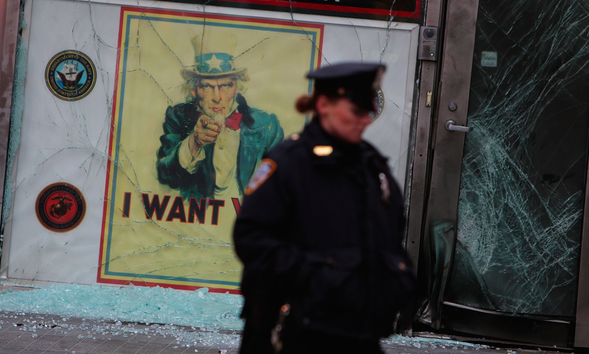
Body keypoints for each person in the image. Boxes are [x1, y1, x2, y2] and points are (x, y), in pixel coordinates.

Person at [233, 62, 416, 354]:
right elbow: (251, 239)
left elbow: (390, 239)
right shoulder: (289, 163)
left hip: (358, 334)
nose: (364, 121)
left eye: (368, 112)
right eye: (355, 111)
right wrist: (319, 279)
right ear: (323, 105)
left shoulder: (372, 168)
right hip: (294, 334)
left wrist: (399, 284)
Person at [156, 36, 284, 201]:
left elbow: (280, 185)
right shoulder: (178, 117)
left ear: (236, 88)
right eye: (207, 87)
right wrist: (194, 143)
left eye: (224, 86)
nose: (217, 97)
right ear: (194, 90)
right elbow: (165, 175)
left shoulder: (266, 125)